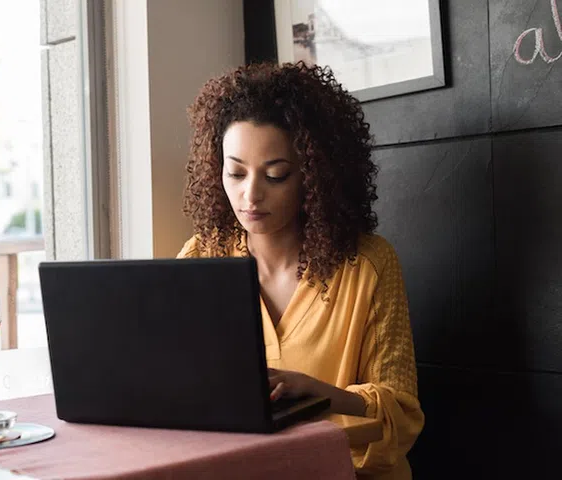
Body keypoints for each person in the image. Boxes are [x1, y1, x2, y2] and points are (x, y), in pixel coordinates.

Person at [177, 62, 424, 480]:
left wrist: (325, 396)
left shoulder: (367, 265)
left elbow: (399, 418)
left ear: (314, 176)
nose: (249, 195)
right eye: (235, 172)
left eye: (276, 175)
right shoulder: (202, 258)